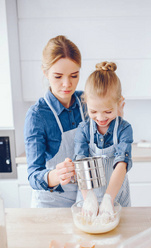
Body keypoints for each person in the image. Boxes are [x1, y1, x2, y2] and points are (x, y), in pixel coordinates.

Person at [24, 35, 86, 208]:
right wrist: (55, 175)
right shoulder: (37, 115)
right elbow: (33, 175)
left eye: (74, 75)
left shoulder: (86, 102)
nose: (67, 84)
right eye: (58, 76)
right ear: (45, 73)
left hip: (84, 201)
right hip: (50, 205)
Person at [74, 61, 133, 216]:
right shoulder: (83, 130)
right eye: (93, 111)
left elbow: (122, 164)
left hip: (117, 197)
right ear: (86, 103)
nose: (100, 118)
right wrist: (89, 199)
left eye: (108, 111)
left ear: (120, 103)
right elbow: (80, 163)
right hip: (88, 197)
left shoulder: (124, 129)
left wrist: (109, 199)